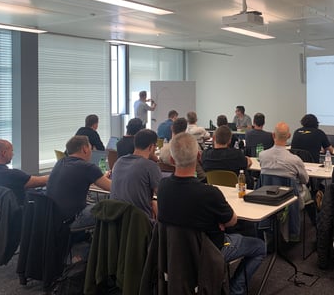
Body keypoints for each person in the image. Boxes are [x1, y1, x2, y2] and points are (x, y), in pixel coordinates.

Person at [158, 132, 265, 295]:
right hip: (211, 250)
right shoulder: (210, 193)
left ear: (172, 160)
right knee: (259, 246)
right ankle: (236, 289)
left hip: (174, 252)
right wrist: (218, 222)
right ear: (198, 157)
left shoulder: (162, 187)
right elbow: (232, 221)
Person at [46, 135, 111, 228]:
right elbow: (112, 187)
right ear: (84, 149)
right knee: (112, 210)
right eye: (90, 148)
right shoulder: (88, 167)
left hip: (54, 218)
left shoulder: (60, 162)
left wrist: (101, 177)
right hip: (74, 219)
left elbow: (78, 179)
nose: (91, 152)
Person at [110, 129, 162, 222]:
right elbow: (162, 195)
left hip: (116, 221)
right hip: (140, 224)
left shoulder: (119, 162)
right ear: (151, 147)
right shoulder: (150, 166)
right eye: (155, 146)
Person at [0, 139, 49, 205]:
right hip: (19, 212)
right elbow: (42, 181)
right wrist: (54, 174)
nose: (13, 154)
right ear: (4, 153)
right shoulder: (12, 175)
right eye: (11, 151)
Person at [259, 122, 310, 205]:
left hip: (266, 197)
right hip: (291, 200)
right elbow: (305, 180)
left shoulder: (262, 156)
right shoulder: (295, 160)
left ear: (273, 135)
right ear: (289, 136)